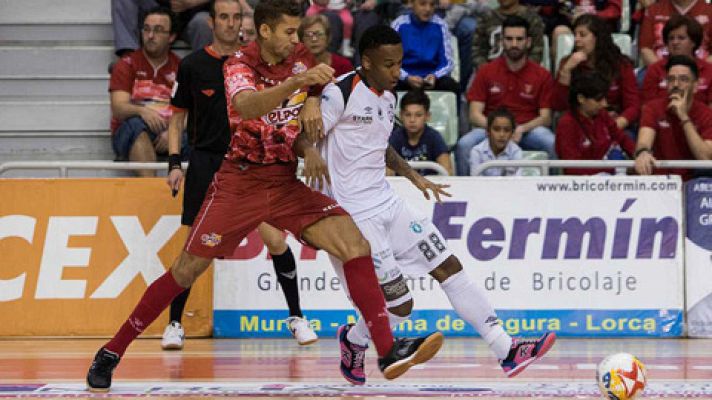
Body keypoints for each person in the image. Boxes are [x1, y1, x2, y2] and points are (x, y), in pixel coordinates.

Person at [86, 0, 444, 392]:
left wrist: (310, 99)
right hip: (240, 183)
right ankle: (112, 351)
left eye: (298, 32)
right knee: (185, 271)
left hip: (285, 182)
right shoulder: (238, 63)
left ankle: (387, 350)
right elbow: (246, 106)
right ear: (266, 31)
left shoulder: (298, 54)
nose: (298, 39)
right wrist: (296, 85)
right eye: (290, 32)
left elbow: (320, 84)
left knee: (354, 243)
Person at [302, 24, 556, 386]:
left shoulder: (387, 98)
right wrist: (310, 153)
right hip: (353, 217)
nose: (397, 72)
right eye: (388, 65)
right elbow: (301, 137)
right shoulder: (339, 93)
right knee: (400, 308)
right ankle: (354, 340)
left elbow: (377, 144)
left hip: (387, 201)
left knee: (447, 265)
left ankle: (507, 349)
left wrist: (410, 173)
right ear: (367, 61)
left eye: (400, 63)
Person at [161, 0, 318, 351]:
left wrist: (312, 99)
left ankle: (296, 316)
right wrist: (174, 163)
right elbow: (176, 118)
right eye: (224, 18)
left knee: (276, 240)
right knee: (192, 249)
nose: (232, 24)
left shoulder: (264, 63)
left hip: (251, 165)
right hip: (206, 160)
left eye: (237, 17)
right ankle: (174, 323)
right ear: (211, 22)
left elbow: (304, 79)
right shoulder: (193, 65)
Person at [457, 16, 554, 176]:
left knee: (552, 143)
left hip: (527, 129)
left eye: (519, 39)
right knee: (464, 145)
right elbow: (474, 115)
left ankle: (552, 195)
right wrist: (498, 129)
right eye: (509, 39)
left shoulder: (542, 74)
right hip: (490, 128)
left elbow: (545, 117)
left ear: (528, 42)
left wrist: (520, 128)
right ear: (501, 41)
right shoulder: (486, 71)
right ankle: (465, 195)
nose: (514, 44)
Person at [109, 7, 188, 177]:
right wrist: (142, 111)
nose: (150, 36)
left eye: (158, 30)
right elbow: (118, 107)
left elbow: (192, 111)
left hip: (172, 128)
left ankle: (192, 198)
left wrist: (174, 133)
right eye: (147, 29)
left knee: (199, 136)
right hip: (133, 131)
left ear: (172, 37)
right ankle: (149, 187)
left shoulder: (182, 67)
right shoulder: (127, 63)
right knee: (135, 126)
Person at [554, 15, 639, 134]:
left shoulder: (620, 64)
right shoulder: (568, 63)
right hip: (579, 126)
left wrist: (615, 125)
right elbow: (559, 106)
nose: (577, 39)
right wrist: (566, 71)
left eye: (582, 35)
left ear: (598, 38)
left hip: (614, 124)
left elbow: (633, 106)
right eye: (575, 35)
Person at [635, 55, 712, 180]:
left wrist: (683, 117)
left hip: (693, 184)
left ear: (696, 86)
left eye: (683, 79)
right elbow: (644, 142)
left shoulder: (707, 114)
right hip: (660, 182)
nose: (676, 84)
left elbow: (706, 157)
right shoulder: (653, 108)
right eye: (671, 79)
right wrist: (643, 152)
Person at [556, 70, 635, 175]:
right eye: (599, 100)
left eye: (604, 98)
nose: (604, 104)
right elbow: (573, 169)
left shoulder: (602, 115)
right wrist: (613, 168)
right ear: (581, 98)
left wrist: (639, 155)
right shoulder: (567, 124)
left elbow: (622, 138)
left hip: (610, 176)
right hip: (582, 186)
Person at [391, 0, 459, 94]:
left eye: (432, 5)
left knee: (451, 86)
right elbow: (391, 60)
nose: (428, 9)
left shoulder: (441, 25)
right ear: (411, 3)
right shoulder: (399, 24)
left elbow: (448, 62)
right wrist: (406, 77)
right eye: (422, 4)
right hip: (405, 77)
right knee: (388, 83)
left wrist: (435, 75)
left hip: (432, 77)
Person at [641, 15, 712, 104]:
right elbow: (647, 107)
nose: (675, 42)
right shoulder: (655, 70)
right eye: (671, 38)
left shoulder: (709, 70)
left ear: (694, 42)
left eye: (681, 38)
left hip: (700, 117)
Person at [111, 0, 213, 56]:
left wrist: (192, 2)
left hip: (194, 14)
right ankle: (129, 58)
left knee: (204, 22)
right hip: (156, 9)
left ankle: (204, 70)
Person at [388, 90, 453, 176]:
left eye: (418, 115)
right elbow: (388, 173)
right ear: (400, 115)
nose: (412, 120)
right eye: (408, 115)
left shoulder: (434, 137)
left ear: (427, 116)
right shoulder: (395, 138)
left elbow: (447, 171)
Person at [471, 0, 545, 73]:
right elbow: (477, 51)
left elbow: (536, 52)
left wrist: (521, 72)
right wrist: (488, 72)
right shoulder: (485, 18)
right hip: (490, 74)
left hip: (522, 74)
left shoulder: (532, 19)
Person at [638, 0, 712, 66]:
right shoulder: (653, 10)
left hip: (703, 70)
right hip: (659, 69)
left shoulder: (709, 10)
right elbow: (645, 49)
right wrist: (662, 71)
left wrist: (700, 71)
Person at [469, 107, 523, 176]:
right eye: (496, 129)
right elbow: (476, 182)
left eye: (507, 130)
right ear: (488, 131)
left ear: (512, 133)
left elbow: (516, 182)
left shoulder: (516, 152)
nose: (501, 134)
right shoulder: (477, 152)